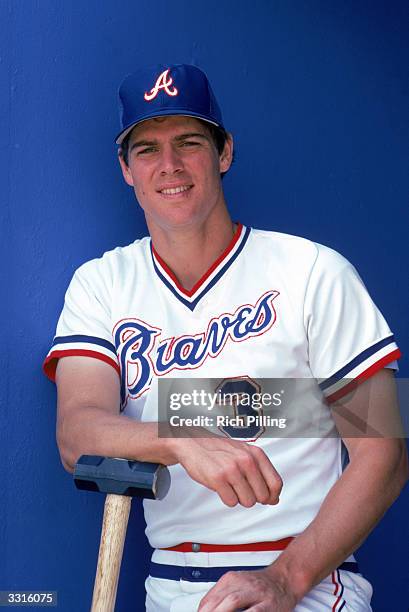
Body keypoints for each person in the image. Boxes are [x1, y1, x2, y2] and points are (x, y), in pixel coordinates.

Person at [43, 64, 408, 611]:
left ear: (224, 153)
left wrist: (285, 578)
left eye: (189, 142)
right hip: (169, 582)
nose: (169, 165)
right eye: (146, 149)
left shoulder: (312, 270)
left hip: (302, 580)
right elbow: (77, 433)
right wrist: (180, 440)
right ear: (125, 169)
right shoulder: (101, 283)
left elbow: (386, 452)